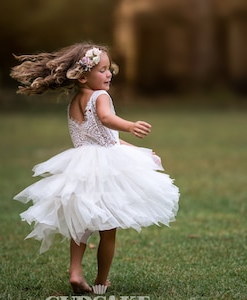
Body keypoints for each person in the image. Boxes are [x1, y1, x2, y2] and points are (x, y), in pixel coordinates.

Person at [11, 42, 179, 294]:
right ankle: (101, 281)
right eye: (101, 70)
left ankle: (76, 271)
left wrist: (136, 151)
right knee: (107, 230)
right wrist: (129, 124)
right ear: (82, 76)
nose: (108, 73)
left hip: (81, 167)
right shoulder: (101, 97)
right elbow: (106, 120)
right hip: (104, 170)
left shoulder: (75, 102)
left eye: (109, 68)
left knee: (81, 224)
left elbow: (106, 137)